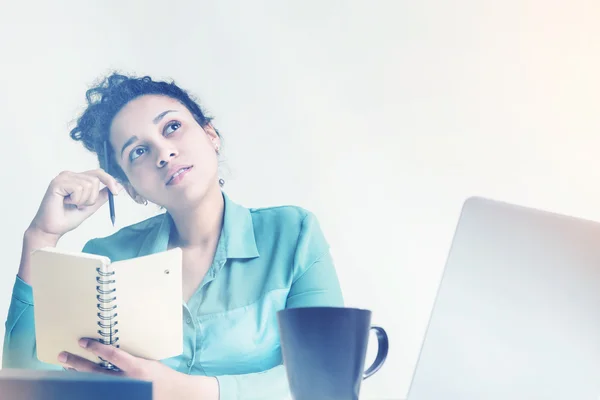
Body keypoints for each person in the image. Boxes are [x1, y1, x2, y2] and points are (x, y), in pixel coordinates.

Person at [2, 73, 344, 399]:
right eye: (138, 151)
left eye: (173, 127)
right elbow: (25, 387)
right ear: (132, 188)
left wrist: (184, 392)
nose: (163, 153)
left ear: (211, 135)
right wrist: (41, 237)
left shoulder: (292, 233)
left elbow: (331, 377)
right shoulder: (107, 259)